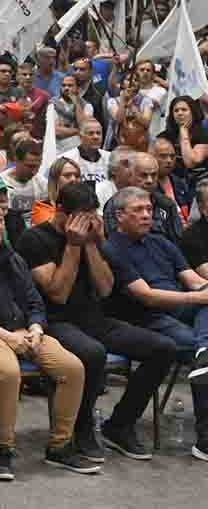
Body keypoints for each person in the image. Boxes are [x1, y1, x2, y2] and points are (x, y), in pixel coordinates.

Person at [17, 182, 176, 462]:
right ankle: (82, 428)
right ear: (61, 212)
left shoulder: (93, 238)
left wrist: (90, 244)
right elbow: (58, 294)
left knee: (163, 348)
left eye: (92, 217)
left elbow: (104, 288)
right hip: (53, 321)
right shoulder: (34, 240)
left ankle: (119, 424)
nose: (87, 224)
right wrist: (73, 246)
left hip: (94, 318)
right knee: (92, 353)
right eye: (81, 218)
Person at [0, 198, 95, 478]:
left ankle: (60, 446)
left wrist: (36, 328)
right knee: (8, 372)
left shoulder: (12, 258)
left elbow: (35, 301)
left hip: (22, 331)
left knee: (72, 367)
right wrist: (7, 336)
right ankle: (4, 449)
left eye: (1, 219)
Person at [105, 186, 208, 459]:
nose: (146, 215)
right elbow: (146, 297)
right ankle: (206, 437)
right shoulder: (112, 248)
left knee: (204, 342)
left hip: (181, 307)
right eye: (138, 210)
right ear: (119, 216)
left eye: (149, 209)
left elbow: (194, 281)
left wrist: (204, 292)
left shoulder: (161, 242)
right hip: (142, 316)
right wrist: (199, 298)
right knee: (195, 348)